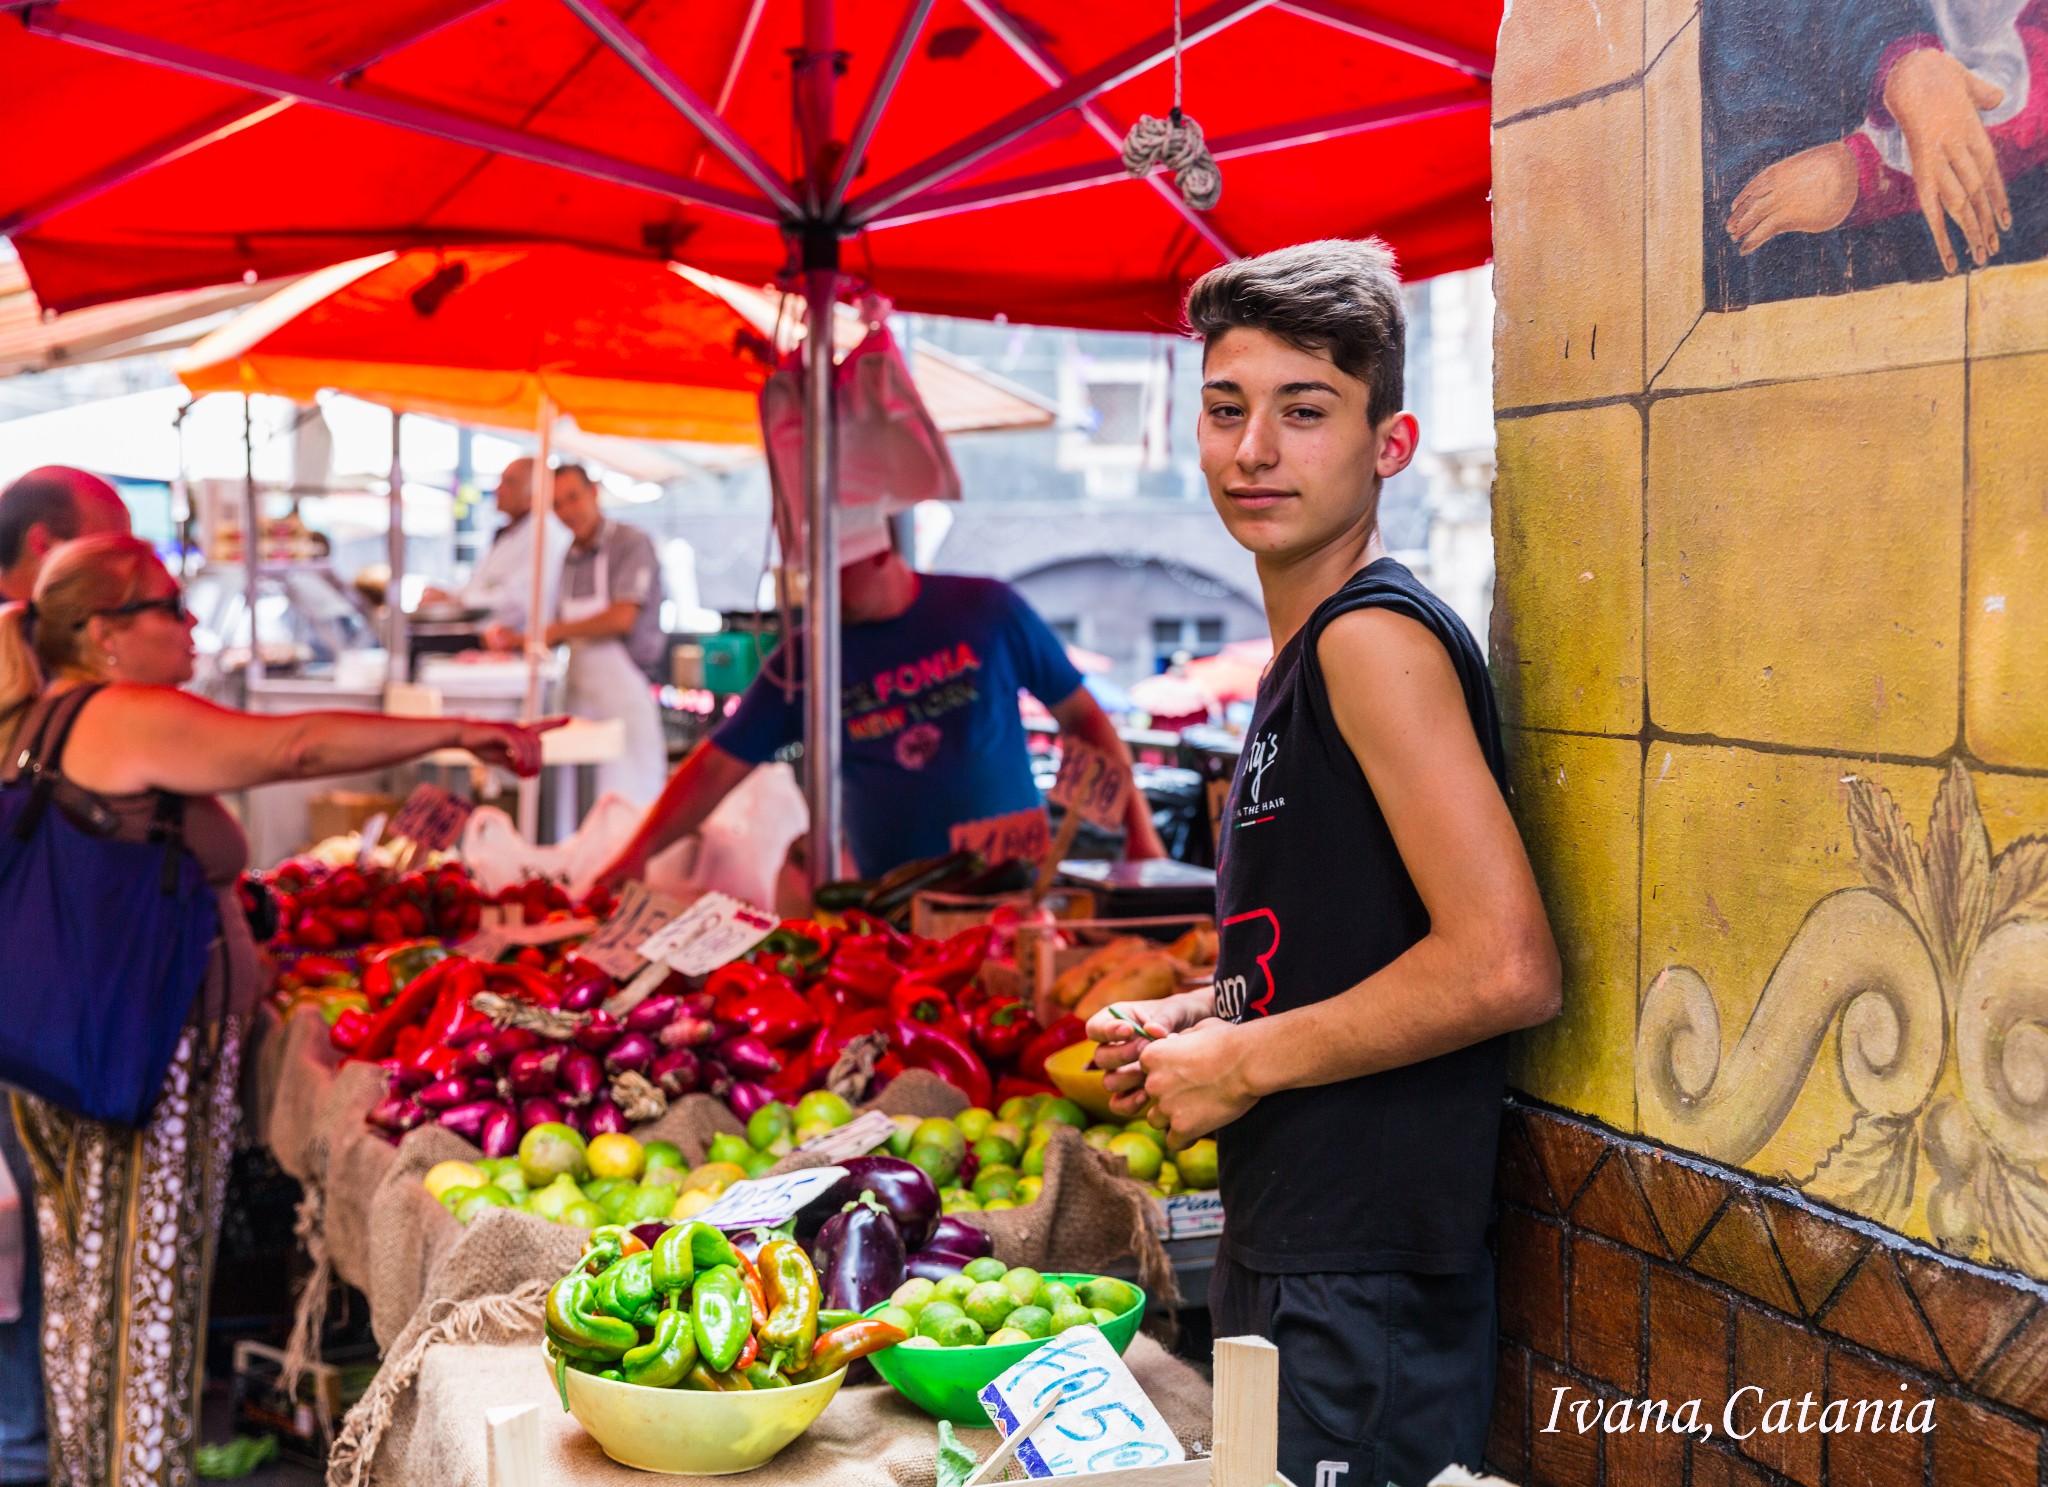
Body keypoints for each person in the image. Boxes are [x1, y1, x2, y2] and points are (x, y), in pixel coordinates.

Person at [1088, 240, 1561, 1487]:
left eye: (1304, 412)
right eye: (1225, 409)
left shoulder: (1371, 642)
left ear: (1388, 444)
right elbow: (1357, 939)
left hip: (1366, 1284)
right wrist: (1197, 1013)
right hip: (1305, 1250)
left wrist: (1235, 1058)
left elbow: (1505, 963)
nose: (1253, 450)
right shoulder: (1303, 651)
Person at [0, 534, 554, 1487]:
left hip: (65, 1055)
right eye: (169, 606)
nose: (190, 624)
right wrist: (453, 729)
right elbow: (297, 745)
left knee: (90, 1300)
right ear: (105, 633)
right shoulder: (119, 711)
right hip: (135, 1066)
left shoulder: (42, 716)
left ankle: (92, 1473)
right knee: (147, 1306)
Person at [599, 510, 1163, 886]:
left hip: (1014, 883)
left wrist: (1140, 837)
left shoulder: (987, 609)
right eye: (811, 576)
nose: (819, 592)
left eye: (834, 576)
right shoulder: (807, 656)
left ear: (878, 555)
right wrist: (634, 854)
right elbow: (717, 768)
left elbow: (1084, 720)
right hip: (890, 898)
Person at [0, 465, 130, 1487]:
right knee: (37, 1228)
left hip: (36, 995)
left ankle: (33, 1436)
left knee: (41, 1224)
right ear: (52, 554)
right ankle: (24, 1438)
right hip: (33, 999)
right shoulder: (20, 667)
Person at [485, 463, 668, 810]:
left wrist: (552, 632)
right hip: (580, 699)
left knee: (627, 805)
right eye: (557, 505)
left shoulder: (630, 544)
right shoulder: (566, 555)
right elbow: (555, 625)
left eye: (573, 498)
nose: (568, 511)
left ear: (593, 492)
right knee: (576, 807)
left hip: (625, 701)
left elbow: (622, 617)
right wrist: (518, 639)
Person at [421, 456, 569, 631]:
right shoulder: (511, 532)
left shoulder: (545, 534)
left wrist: (457, 601)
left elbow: (519, 600)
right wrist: (448, 594)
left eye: (510, 482)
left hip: (513, 646)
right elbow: (481, 585)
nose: (499, 489)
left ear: (534, 493)